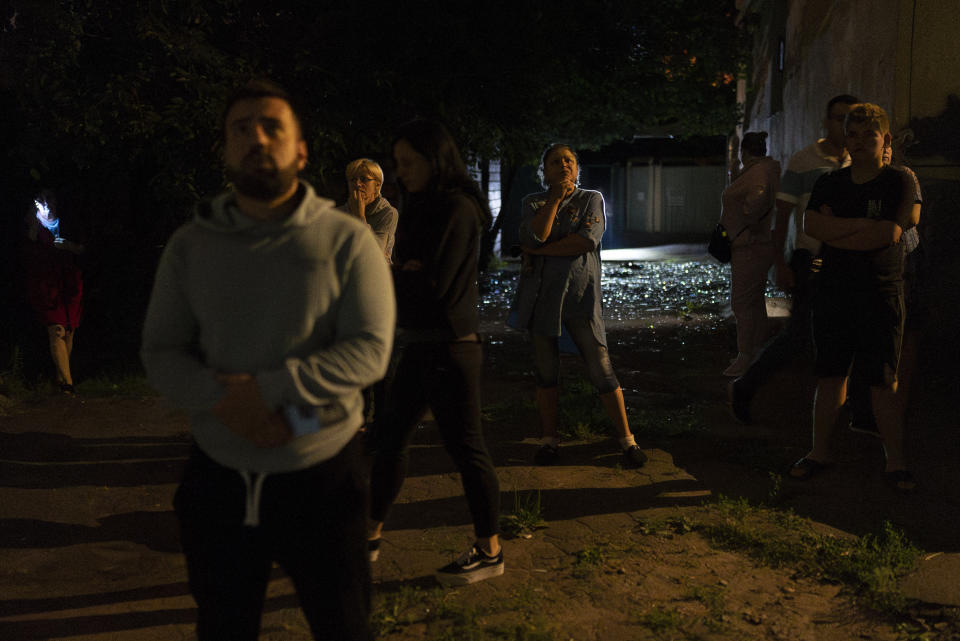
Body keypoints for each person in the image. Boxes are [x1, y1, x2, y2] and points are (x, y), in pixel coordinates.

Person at [141, 79, 394, 640]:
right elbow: (161, 351)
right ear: (226, 150)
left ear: (300, 149)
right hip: (221, 480)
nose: (256, 136)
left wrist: (271, 392)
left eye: (272, 125)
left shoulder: (346, 240)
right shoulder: (192, 246)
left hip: (324, 472)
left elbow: (371, 348)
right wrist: (224, 401)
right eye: (241, 128)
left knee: (345, 627)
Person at [366, 119, 503, 586]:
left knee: (466, 450)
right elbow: (411, 278)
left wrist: (401, 273)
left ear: (434, 158)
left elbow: (434, 288)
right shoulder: (421, 206)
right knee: (388, 440)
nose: (400, 172)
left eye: (407, 163)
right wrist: (405, 270)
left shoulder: (458, 209)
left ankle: (490, 550)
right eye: (397, 163)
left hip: (451, 350)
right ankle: (367, 538)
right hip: (421, 344)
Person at [792, 103, 920, 491]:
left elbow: (890, 235)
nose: (861, 142)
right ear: (844, 138)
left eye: (870, 135)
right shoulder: (830, 182)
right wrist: (866, 225)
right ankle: (819, 453)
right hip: (833, 291)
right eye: (853, 134)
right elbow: (811, 224)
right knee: (831, 374)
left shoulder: (899, 180)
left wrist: (839, 229)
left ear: (885, 140)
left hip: (880, 292)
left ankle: (895, 462)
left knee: (883, 380)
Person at [511, 143, 647, 468]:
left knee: (601, 368)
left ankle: (627, 441)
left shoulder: (591, 199)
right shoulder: (533, 202)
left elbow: (585, 241)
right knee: (545, 372)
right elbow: (535, 236)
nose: (563, 166)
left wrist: (539, 253)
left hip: (581, 298)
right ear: (544, 170)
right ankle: (549, 440)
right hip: (542, 299)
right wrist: (555, 199)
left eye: (569, 160)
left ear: (577, 167)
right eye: (555, 162)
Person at [729, 95, 859, 421]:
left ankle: (846, 407)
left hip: (848, 260)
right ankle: (747, 385)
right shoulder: (804, 161)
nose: (844, 126)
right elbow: (782, 215)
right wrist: (781, 264)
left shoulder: (859, 161)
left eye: (851, 119)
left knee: (848, 332)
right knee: (800, 334)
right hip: (810, 259)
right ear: (826, 122)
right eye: (838, 118)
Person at [719, 132, 781, 377]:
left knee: (742, 302)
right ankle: (757, 351)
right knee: (754, 301)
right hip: (752, 243)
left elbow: (755, 203)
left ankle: (745, 355)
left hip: (750, 244)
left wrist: (744, 216)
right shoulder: (762, 170)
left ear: (745, 152)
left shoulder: (758, 173)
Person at [21, 190, 85, 394]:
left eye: (49, 199)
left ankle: (61, 377)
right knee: (56, 329)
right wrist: (33, 226)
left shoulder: (68, 222)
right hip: (46, 283)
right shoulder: (34, 223)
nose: (45, 204)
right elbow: (28, 247)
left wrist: (69, 246)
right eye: (41, 200)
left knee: (68, 331)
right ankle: (68, 383)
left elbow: (83, 249)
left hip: (69, 282)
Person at [341, 157, 398, 262]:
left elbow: (376, 253)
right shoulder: (339, 213)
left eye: (364, 179)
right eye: (353, 180)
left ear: (377, 185)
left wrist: (360, 216)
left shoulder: (387, 213)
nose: (357, 184)